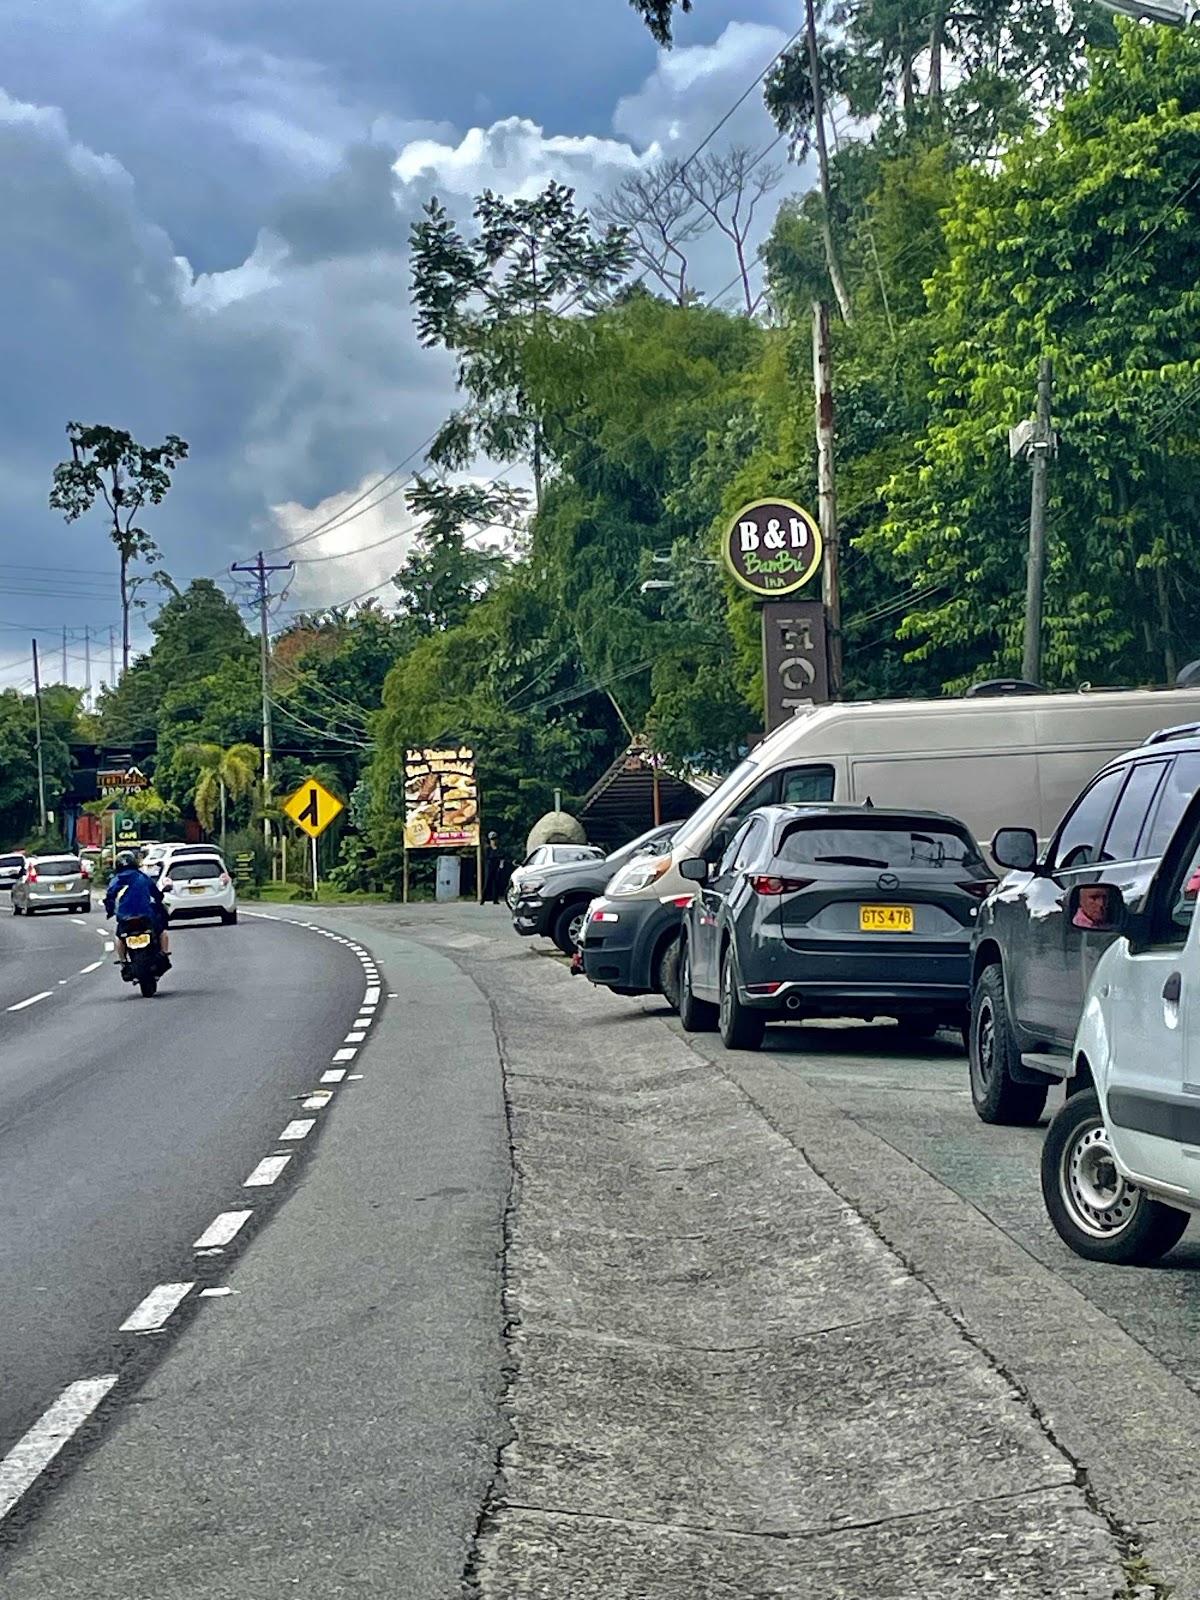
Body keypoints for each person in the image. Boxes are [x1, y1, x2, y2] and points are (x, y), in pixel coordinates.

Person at [105, 851, 171, 973]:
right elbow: (156, 894)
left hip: (125, 919)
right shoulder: (143, 877)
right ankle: (164, 954)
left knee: (120, 937)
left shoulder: (115, 881)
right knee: (161, 932)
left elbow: (109, 898)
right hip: (145, 916)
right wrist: (159, 901)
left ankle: (123, 961)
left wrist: (110, 911)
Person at [482, 832, 504, 905]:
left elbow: (502, 856)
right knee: (487, 882)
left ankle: (495, 899)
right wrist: (496, 857)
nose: (494, 841)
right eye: (492, 839)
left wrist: (501, 863)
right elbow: (487, 857)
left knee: (496, 883)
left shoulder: (499, 848)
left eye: (495, 839)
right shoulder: (488, 848)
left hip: (496, 867)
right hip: (489, 867)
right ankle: (483, 899)